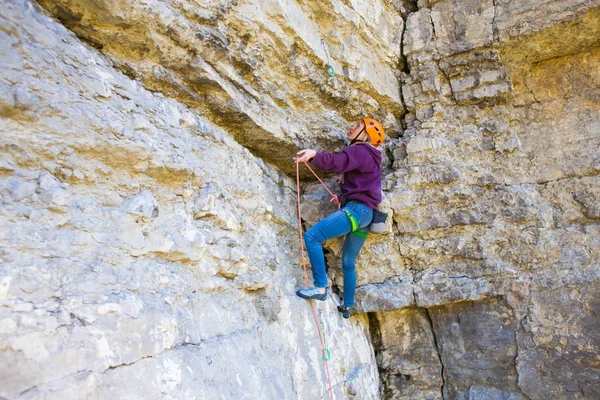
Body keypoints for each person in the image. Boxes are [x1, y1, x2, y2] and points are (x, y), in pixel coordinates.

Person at [294, 118, 384, 318]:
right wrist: (343, 197)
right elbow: (365, 188)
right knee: (348, 262)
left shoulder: (360, 150)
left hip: (356, 211)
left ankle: (320, 288)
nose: (352, 127)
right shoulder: (372, 158)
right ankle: (348, 305)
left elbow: (336, 163)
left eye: (359, 126)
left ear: (366, 135)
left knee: (312, 237)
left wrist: (313, 155)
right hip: (367, 216)